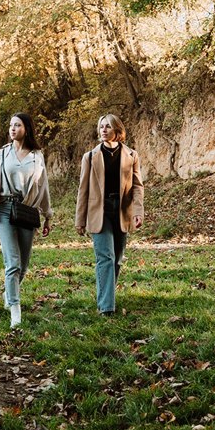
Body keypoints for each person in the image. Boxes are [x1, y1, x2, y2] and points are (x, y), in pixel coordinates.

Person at [0, 113, 53, 328]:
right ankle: (15, 311)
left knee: (23, 265)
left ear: (26, 129)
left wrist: (48, 215)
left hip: (27, 210)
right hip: (3, 209)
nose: (12, 129)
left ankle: (9, 293)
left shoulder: (37, 156)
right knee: (12, 262)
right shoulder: (0, 155)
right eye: (11, 125)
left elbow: (44, 187)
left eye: (17, 125)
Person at [75, 114, 144, 315]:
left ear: (117, 131)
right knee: (106, 256)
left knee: (117, 259)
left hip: (122, 211)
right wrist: (80, 219)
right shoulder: (89, 157)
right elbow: (83, 190)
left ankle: (106, 295)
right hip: (99, 211)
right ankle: (107, 307)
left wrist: (138, 211)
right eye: (101, 127)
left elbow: (138, 186)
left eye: (108, 127)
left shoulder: (132, 155)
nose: (103, 130)